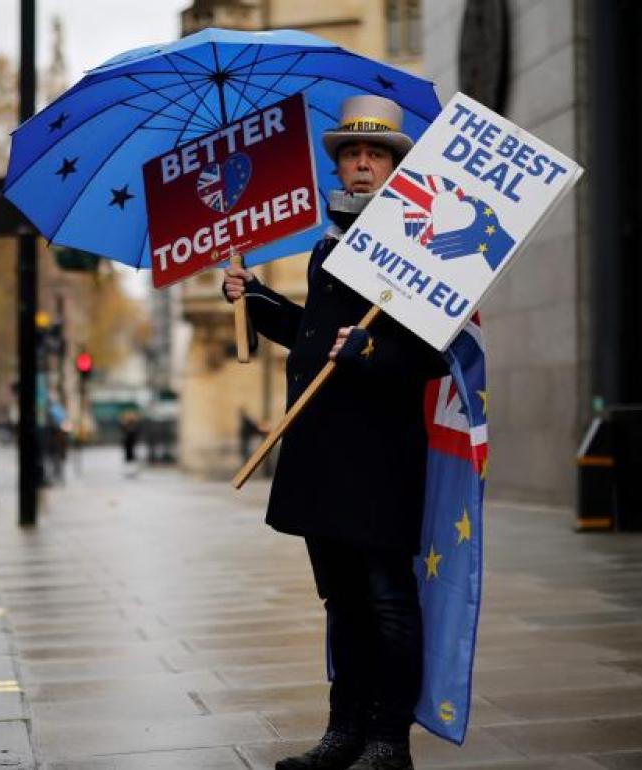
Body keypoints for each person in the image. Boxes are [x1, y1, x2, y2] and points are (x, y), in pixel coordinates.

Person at [224, 95, 446, 770]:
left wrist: (370, 354)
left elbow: (430, 355)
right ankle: (344, 733)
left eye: (374, 154)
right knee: (342, 601)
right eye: (351, 153)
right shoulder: (328, 248)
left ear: (394, 166)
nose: (360, 165)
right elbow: (316, 342)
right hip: (322, 452)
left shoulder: (419, 246)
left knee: (387, 601)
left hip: (379, 456)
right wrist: (258, 300)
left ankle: (387, 741)